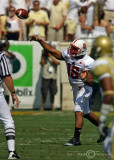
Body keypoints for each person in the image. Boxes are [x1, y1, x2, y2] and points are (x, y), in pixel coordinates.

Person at [30, 35, 105, 146]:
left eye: (74, 49)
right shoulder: (68, 54)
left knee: (77, 109)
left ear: (81, 51)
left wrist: (85, 78)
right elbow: (52, 50)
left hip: (84, 88)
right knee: (86, 113)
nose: (71, 50)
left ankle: (76, 139)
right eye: (72, 47)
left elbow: (92, 82)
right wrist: (40, 40)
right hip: (75, 88)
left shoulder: (89, 62)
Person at [81, 36, 114, 160]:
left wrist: (104, 117)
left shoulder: (100, 63)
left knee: (109, 147)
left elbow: (109, 93)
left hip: (98, 85)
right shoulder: (110, 61)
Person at [0, 42, 20, 159]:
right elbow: (6, 76)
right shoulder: (1, 56)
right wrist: (13, 93)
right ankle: (11, 151)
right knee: (8, 121)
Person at [40, 44, 59, 110]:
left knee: (53, 93)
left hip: (53, 76)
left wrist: (51, 56)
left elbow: (57, 63)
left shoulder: (56, 55)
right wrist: (43, 55)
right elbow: (41, 64)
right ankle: (42, 106)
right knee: (44, 93)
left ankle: (52, 106)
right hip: (45, 76)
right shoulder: (44, 55)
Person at [2, 40, 16, 105]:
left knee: (7, 92)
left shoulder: (10, 52)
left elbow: (13, 56)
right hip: (0, 75)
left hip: (7, 75)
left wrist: (6, 51)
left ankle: (7, 105)